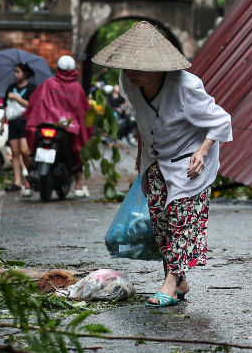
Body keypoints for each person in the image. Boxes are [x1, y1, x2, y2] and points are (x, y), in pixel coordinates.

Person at [91, 21, 232, 308]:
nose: (130, 74)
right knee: (161, 223)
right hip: (155, 159)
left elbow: (221, 121)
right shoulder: (128, 82)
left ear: (157, 67)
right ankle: (181, 282)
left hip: (190, 161)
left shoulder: (185, 87)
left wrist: (202, 153)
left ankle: (170, 281)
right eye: (127, 67)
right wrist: (141, 163)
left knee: (181, 222)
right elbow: (142, 120)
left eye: (138, 68)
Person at [24, 55, 92, 197]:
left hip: (45, 124)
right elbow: (83, 112)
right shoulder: (77, 89)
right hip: (67, 129)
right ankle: (79, 185)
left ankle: (27, 184)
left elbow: (34, 103)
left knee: (32, 149)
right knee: (79, 149)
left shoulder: (49, 83)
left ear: (58, 69)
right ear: (74, 70)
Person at [3, 62, 37, 195]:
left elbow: (31, 105)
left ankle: (29, 178)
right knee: (15, 153)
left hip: (25, 122)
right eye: (15, 72)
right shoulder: (10, 88)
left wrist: (17, 98)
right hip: (12, 123)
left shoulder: (32, 88)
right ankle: (17, 181)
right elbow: (6, 107)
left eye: (18, 72)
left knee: (25, 151)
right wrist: (2, 123)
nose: (15, 74)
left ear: (25, 74)